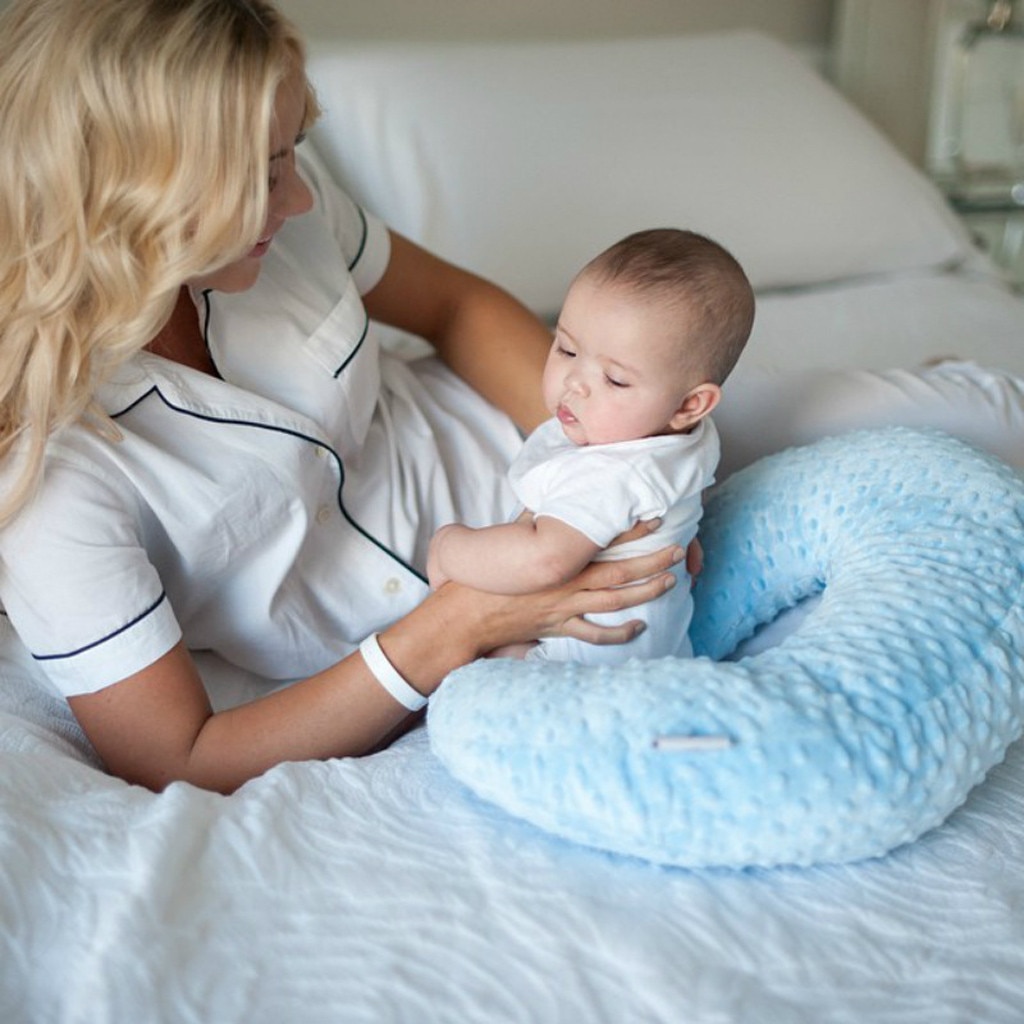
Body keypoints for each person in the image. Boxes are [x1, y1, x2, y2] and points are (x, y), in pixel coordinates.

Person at [0, 0, 688, 795]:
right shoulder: (46, 469)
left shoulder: (288, 206)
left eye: (290, 154)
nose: (295, 200)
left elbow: (456, 308)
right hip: (441, 648)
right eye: (260, 177)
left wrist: (612, 469)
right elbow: (175, 755)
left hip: (560, 459)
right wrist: (466, 621)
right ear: (128, 193)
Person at [427, 229, 754, 663]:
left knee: (474, 672)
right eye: (565, 349)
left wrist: (448, 548)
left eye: (614, 379)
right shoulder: (676, 437)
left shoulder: (612, 471)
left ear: (690, 404)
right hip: (657, 650)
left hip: (576, 662)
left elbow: (545, 560)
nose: (574, 383)